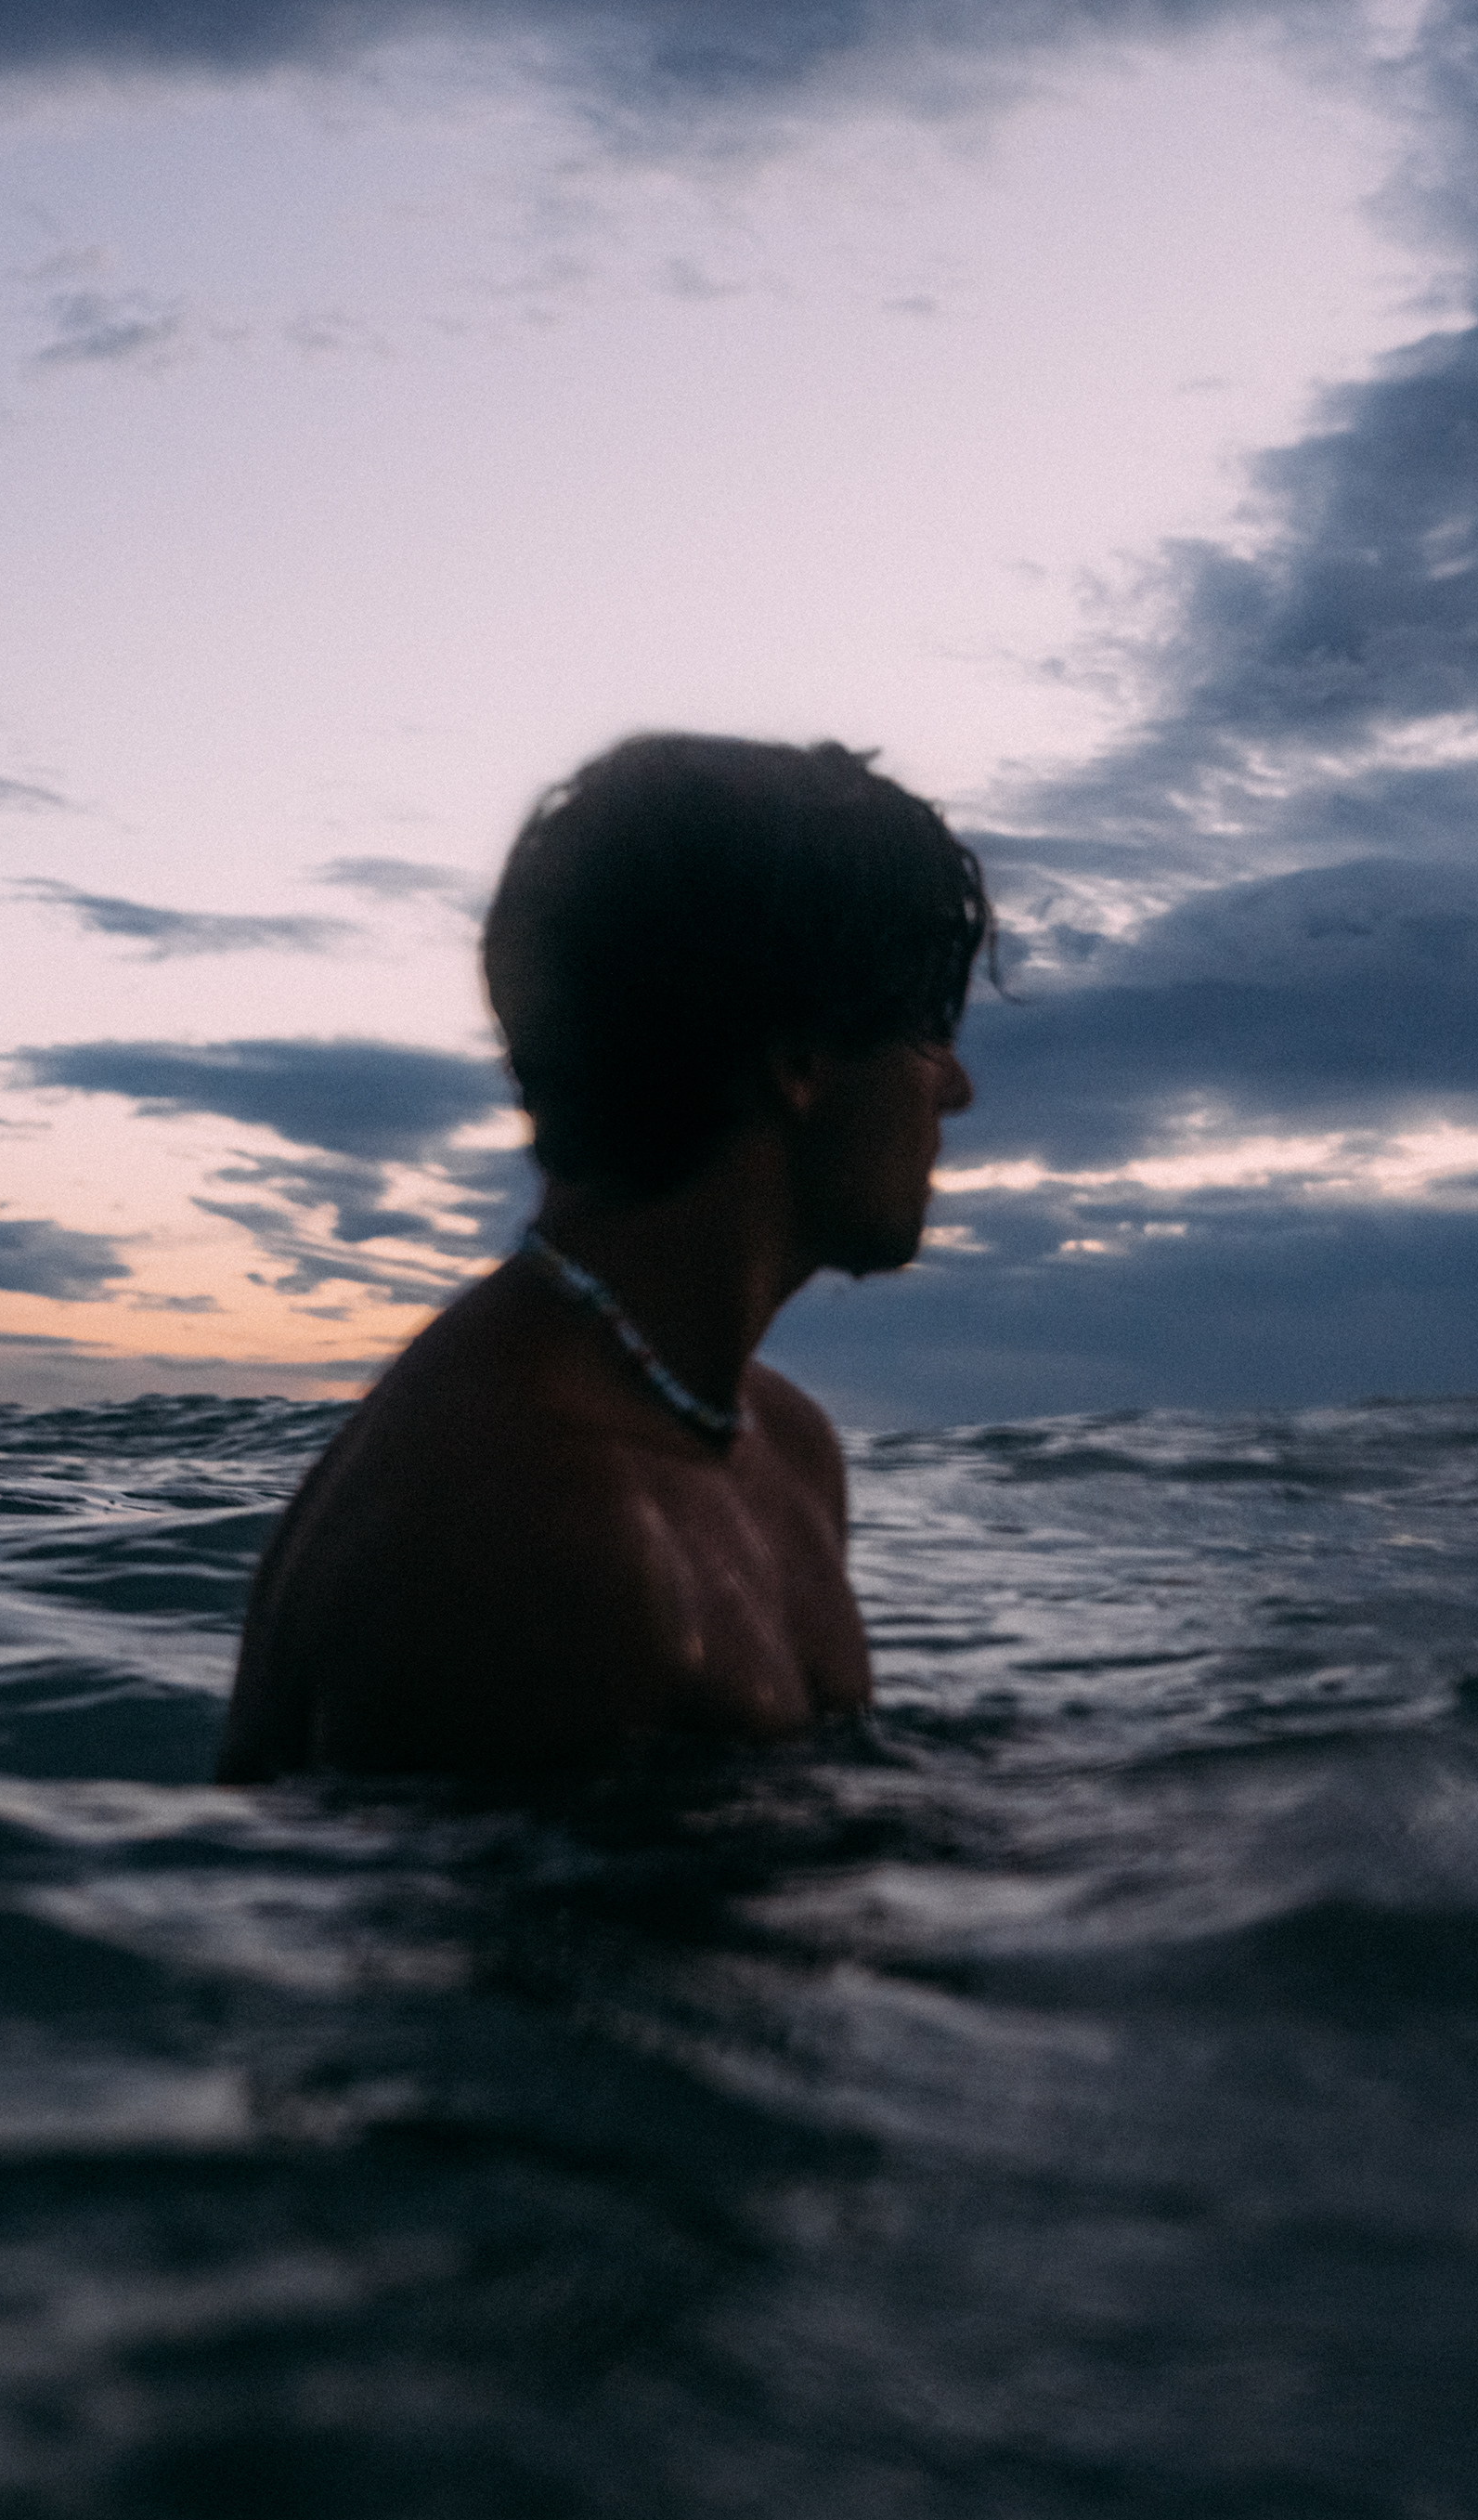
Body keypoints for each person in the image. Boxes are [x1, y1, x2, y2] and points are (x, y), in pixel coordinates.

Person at [217, 734, 985, 1783]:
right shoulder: (525, 1527)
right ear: (802, 1060)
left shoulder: (785, 1448)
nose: (956, 1089)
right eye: (928, 1033)